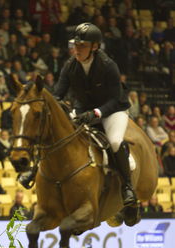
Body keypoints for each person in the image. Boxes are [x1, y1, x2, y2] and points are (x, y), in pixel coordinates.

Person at [54, 22, 135, 206]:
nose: (77, 50)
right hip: (84, 109)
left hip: (112, 110)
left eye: (82, 46)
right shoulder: (69, 66)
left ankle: (127, 187)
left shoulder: (108, 65)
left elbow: (115, 99)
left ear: (95, 46)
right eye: (76, 45)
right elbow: (58, 93)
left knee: (114, 141)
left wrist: (96, 113)